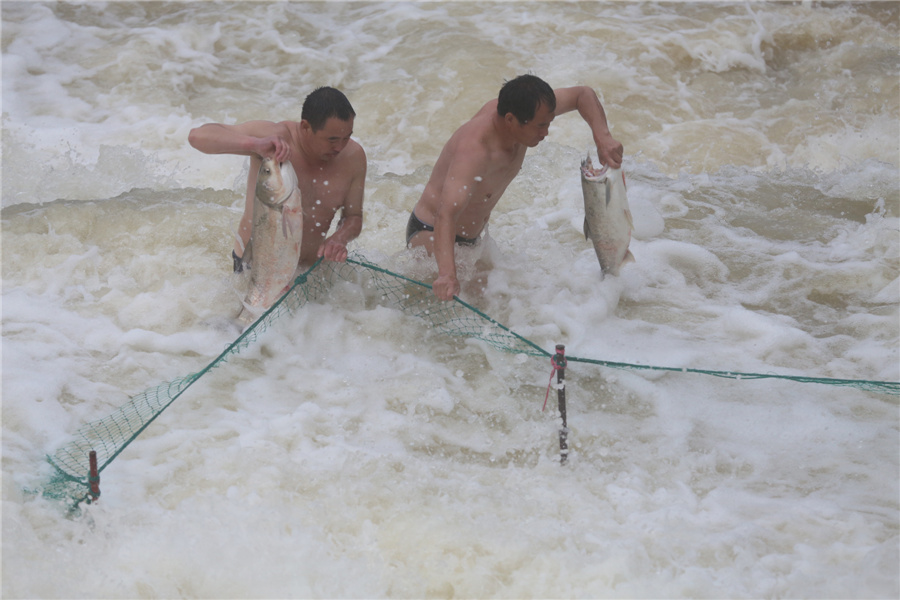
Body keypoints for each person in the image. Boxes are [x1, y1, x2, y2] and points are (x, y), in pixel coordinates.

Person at [406, 74, 623, 301]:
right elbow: (446, 215)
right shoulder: (475, 151)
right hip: (431, 233)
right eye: (541, 126)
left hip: (470, 240)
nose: (545, 133)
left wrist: (603, 138)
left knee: (502, 299)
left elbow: (582, 94)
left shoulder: (531, 109)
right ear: (511, 120)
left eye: (549, 123)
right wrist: (447, 275)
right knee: (475, 302)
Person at [188, 86, 366, 271]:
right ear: (305, 127)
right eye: (332, 139)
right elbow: (197, 137)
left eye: (347, 137)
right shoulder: (274, 139)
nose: (340, 147)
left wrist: (339, 239)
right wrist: (255, 144)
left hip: (308, 272)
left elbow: (353, 217)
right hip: (256, 270)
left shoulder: (353, 157)